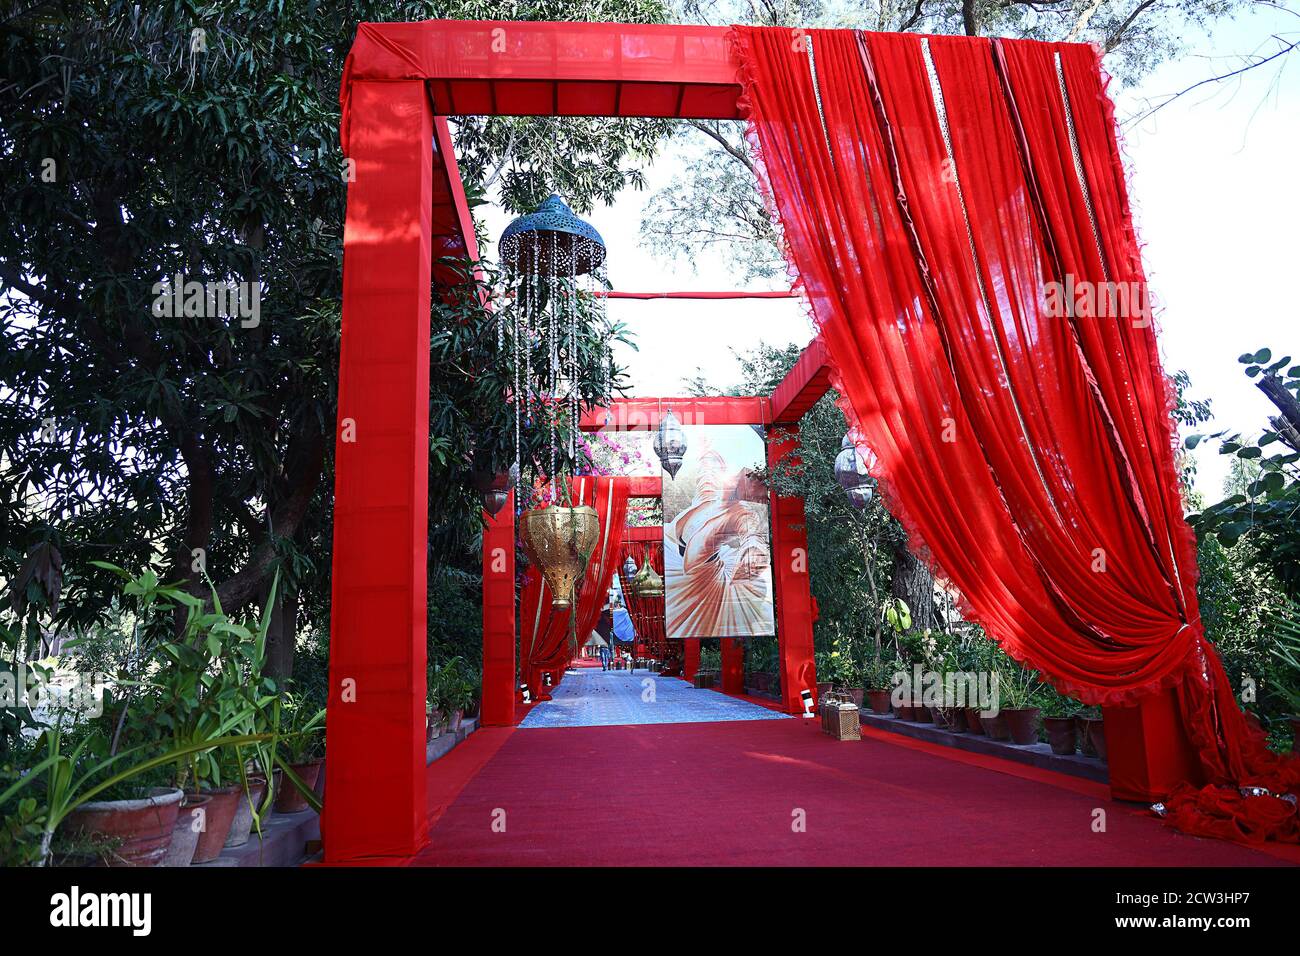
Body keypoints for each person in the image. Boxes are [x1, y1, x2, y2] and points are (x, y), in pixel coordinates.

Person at [596, 603, 614, 670]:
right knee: (603, 657)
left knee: (606, 657)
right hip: (602, 648)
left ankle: (605, 666)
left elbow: (611, 641)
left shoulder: (609, 634)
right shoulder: (602, 632)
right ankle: (604, 666)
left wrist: (611, 648)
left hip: (606, 648)